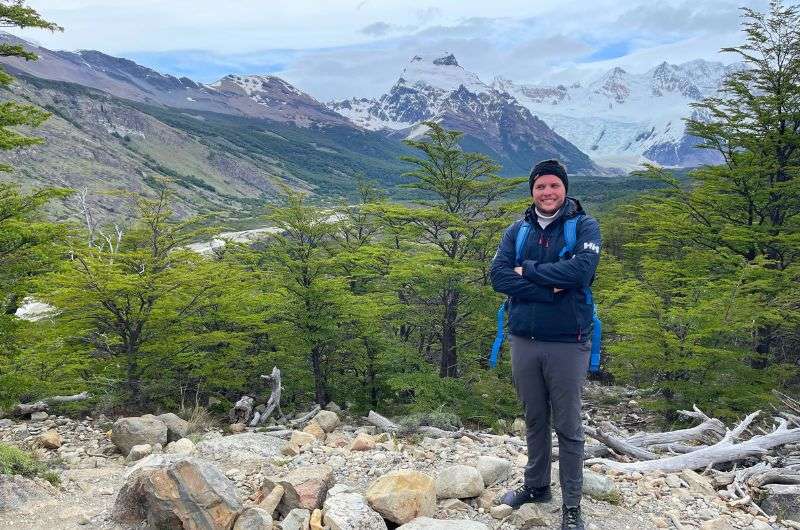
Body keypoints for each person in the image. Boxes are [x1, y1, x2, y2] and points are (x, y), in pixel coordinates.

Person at [489, 159, 601, 530]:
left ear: (564, 188)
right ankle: (537, 486)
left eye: (554, 185)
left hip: (568, 341)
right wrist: (551, 291)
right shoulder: (517, 230)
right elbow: (498, 276)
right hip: (524, 338)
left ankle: (572, 507)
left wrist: (529, 272)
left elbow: (581, 272)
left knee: (568, 425)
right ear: (532, 191)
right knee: (535, 418)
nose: (548, 192)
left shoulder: (583, 226)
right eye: (541, 187)